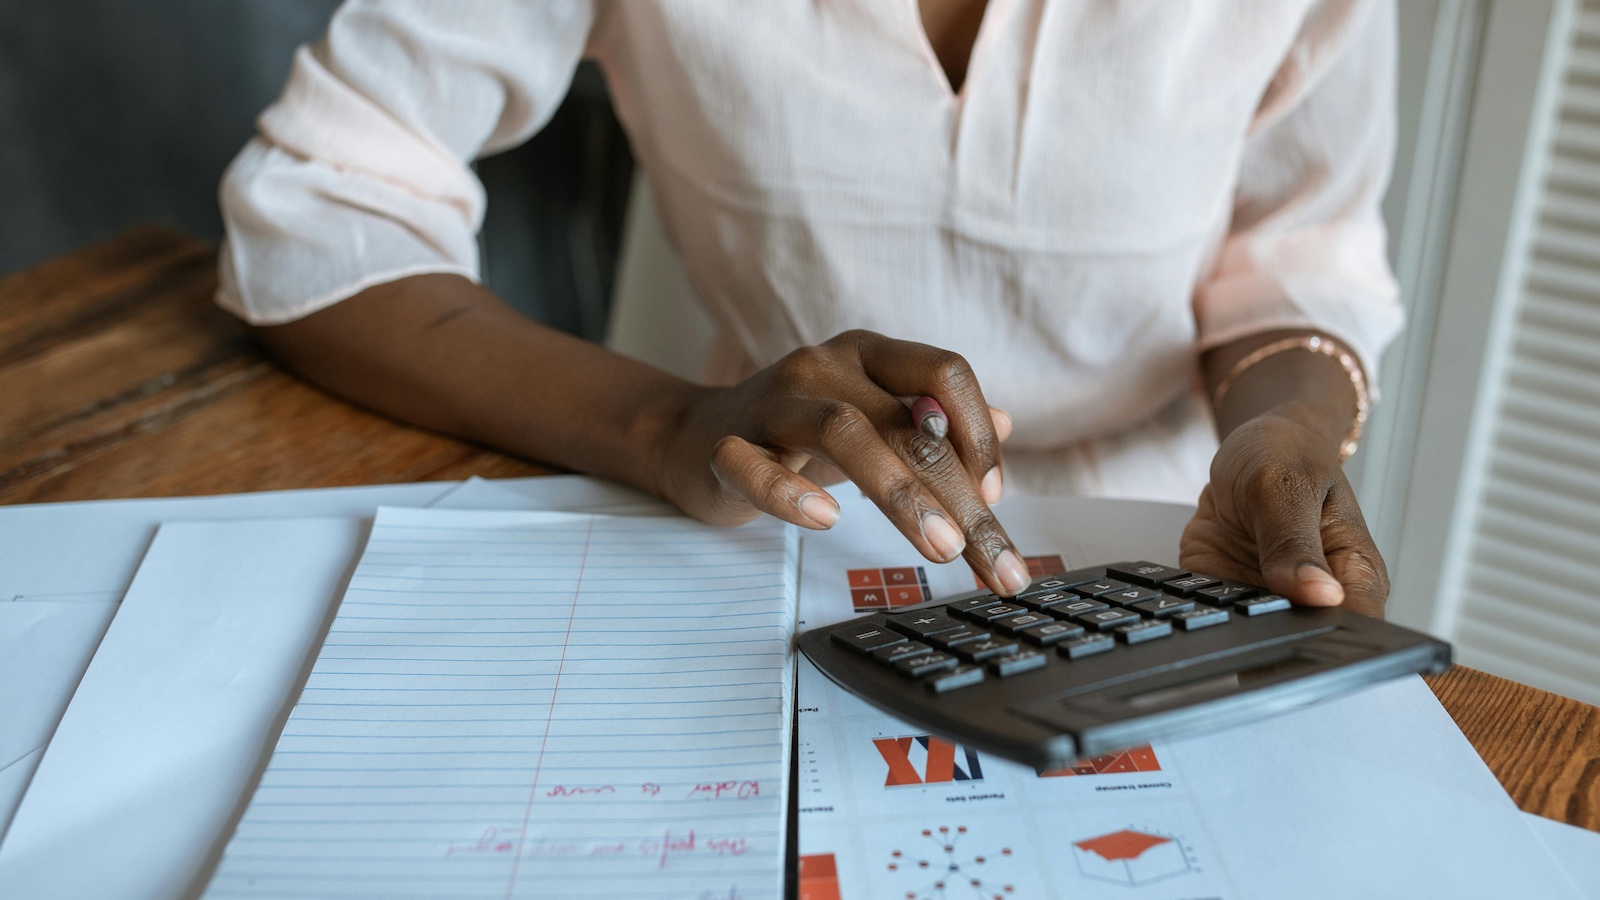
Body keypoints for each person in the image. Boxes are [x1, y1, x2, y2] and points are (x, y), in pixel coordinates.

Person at [218, 0, 1397, 614]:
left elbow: (1298, 251)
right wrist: (662, 425)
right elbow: (320, 200)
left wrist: (1286, 431)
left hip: (1182, 549)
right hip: (774, 532)